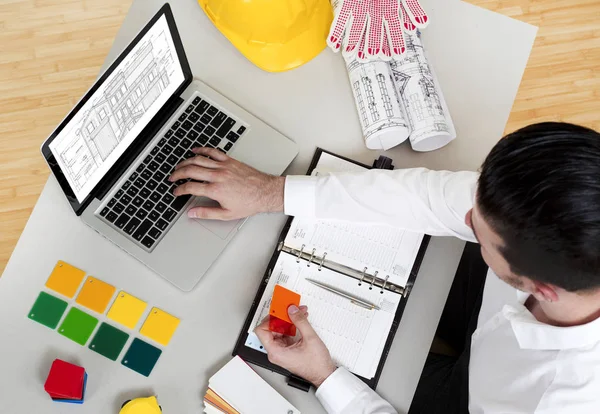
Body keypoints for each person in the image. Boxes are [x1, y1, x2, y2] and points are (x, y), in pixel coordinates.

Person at [169, 122, 600, 413]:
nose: (463, 217)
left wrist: (325, 376)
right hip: (492, 305)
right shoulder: (565, 219)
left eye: (478, 228)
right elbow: (428, 198)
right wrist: (271, 192)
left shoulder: (561, 399)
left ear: (542, 289)